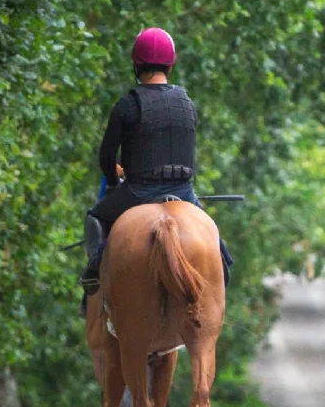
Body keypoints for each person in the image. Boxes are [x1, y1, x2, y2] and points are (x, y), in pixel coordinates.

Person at [79, 28, 232, 313]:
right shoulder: (188, 104)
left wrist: (114, 181)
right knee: (213, 238)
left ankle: (94, 268)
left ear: (136, 64)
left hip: (138, 191)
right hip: (183, 192)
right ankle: (222, 268)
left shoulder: (127, 105)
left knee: (95, 217)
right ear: (170, 65)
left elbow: (106, 156)